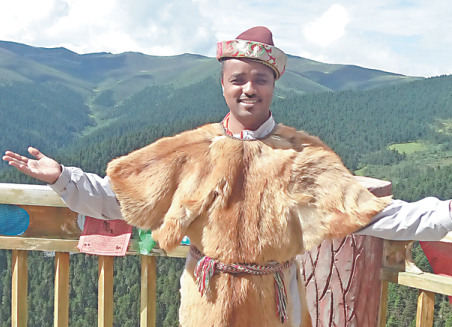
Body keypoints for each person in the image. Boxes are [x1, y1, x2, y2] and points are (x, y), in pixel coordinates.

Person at [3, 27, 452, 327]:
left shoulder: (301, 157)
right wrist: (62, 177)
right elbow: (115, 199)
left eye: (260, 79)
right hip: (206, 300)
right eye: (238, 79)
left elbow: (376, 214)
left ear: (274, 85)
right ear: (223, 84)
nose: (249, 88)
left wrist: (447, 214)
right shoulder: (189, 151)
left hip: (277, 302)